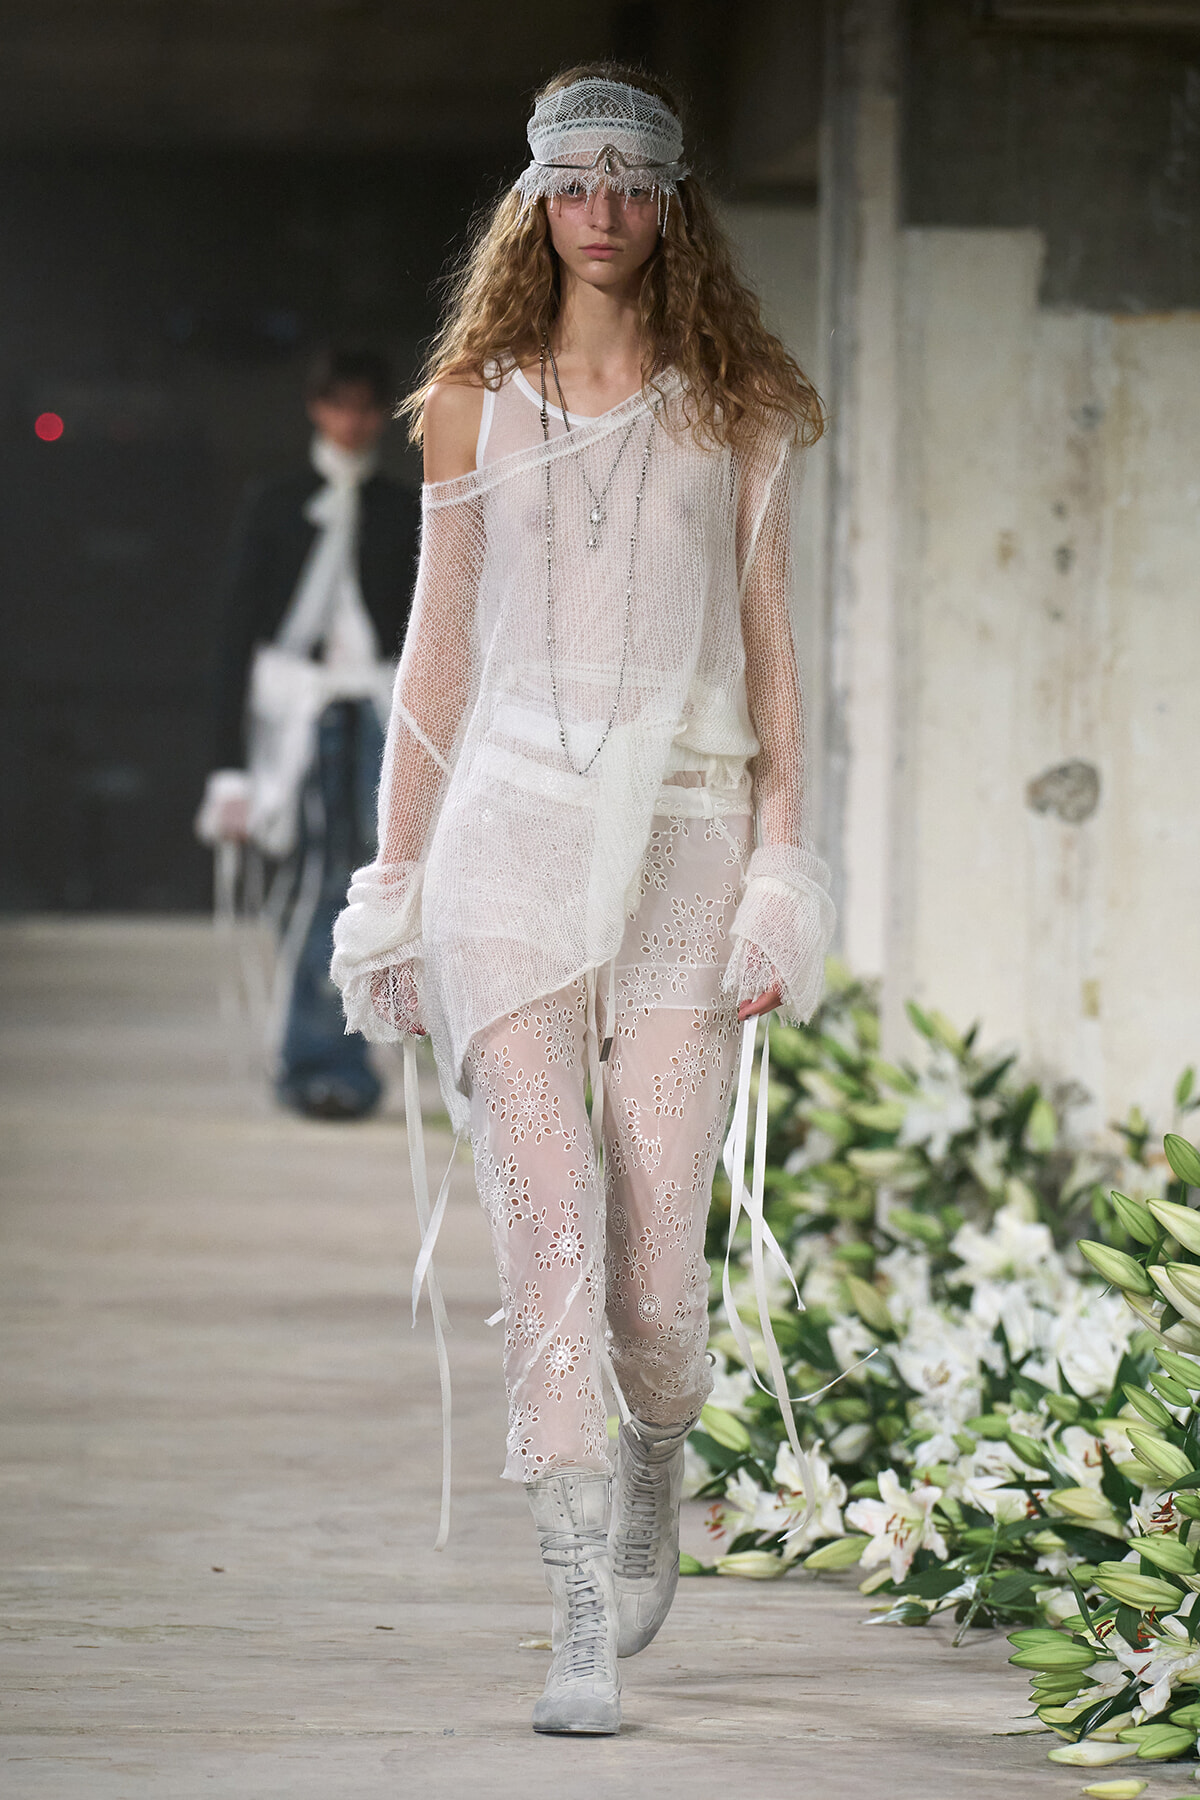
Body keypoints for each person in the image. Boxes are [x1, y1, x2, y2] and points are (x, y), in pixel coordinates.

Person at [331, 67, 835, 1731]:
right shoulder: (477, 396)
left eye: (633, 183)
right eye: (574, 183)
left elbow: (773, 662)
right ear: (534, 203)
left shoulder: (735, 403)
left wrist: (784, 868)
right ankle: (567, 1598)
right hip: (510, 837)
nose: (604, 211)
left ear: (671, 203)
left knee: (651, 1276)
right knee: (547, 1226)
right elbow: (438, 653)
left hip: (689, 834)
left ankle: (661, 1441)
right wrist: (393, 886)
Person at [198, 349, 418, 1120]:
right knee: (323, 877)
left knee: (375, 875)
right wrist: (228, 767)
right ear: (316, 409)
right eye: (338, 404)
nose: (351, 421)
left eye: (365, 406)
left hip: (383, 710)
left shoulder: (404, 506)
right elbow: (234, 633)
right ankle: (324, 1059)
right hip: (297, 713)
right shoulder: (276, 503)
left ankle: (343, 1054)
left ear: (382, 413)